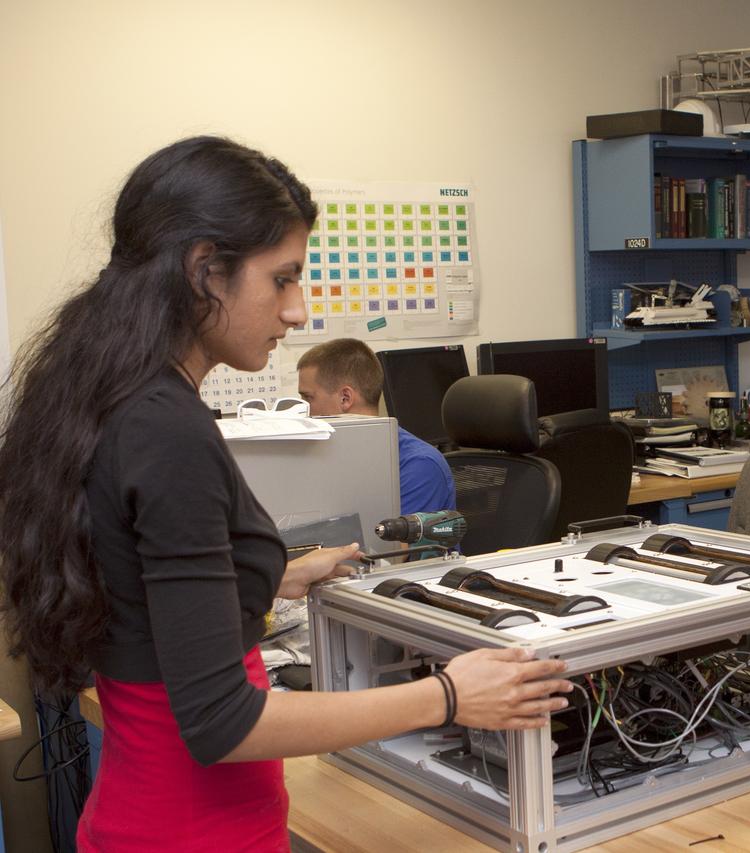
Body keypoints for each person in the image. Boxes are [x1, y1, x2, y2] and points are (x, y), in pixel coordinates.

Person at [0, 136, 572, 852]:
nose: (297, 311)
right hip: (197, 835)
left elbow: (141, 598)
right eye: (282, 279)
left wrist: (271, 573)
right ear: (205, 272)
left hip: (143, 819)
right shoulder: (168, 430)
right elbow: (222, 720)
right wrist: (449, 695)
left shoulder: (119, 400)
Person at [296, 338, 456, 516]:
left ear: (345, 398)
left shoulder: (419, 465)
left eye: (308, 398)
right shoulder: (331, 455)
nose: (305, 410)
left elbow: (392, 543)